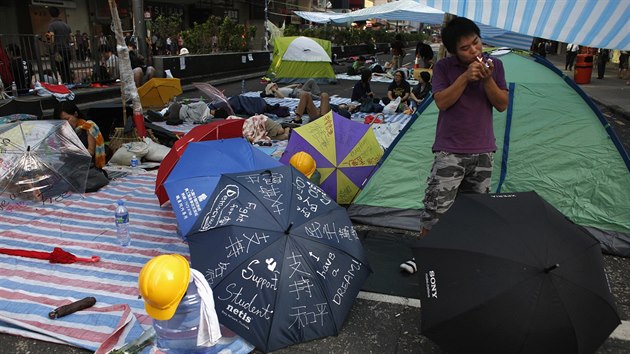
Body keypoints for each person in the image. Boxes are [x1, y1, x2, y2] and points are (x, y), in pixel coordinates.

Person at [419, 16, 508, 239]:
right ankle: (425, 254)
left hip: (484, 150)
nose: (474, 50)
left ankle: (464, 256)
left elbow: (502, 105)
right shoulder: (443, 67)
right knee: (436, 210)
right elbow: (442, 102)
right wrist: (465, 77)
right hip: (450, 151)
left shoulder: (495, 66)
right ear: (453, 51)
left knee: (475, 212)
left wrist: (487, 80)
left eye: (476, 42)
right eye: (465, 48)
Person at [53, 101, 107, 169]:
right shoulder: (62, 130)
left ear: (75, 114)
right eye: (62, 121)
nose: (65, 123)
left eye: (67, 119)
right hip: (70, 165)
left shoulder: (88, 127)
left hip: (87, 166)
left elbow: (90, 152)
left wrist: (73, 150)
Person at [47, 6, 73, 84]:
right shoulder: (66, 25)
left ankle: (65, 83)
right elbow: (71, 38)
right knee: (67, 68)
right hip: (67, 49)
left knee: (61, 68)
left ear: (50, 15)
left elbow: (52, 38)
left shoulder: (52, 25)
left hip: (58, 50)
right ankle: (69, 82)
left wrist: (49, 44)